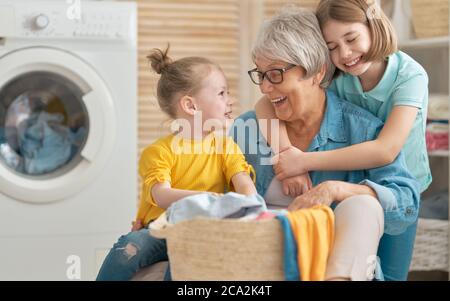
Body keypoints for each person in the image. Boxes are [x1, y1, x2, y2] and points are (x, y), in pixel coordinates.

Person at [232, 7, 420, 280]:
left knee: (362, 204)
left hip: (329, 263)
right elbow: (211, 195)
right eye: (260, 75)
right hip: (260, 265)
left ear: (317, 73)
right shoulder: (246, 128)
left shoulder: (363, 128)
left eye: (275, 74)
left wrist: (336, 189)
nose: (264, 87)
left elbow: (406, 202)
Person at [96, 46, 257, 281]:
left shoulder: (227, 148)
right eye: (222, 93)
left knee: (187, 262)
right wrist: (209, 199)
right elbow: (161, 194)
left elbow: (247, 189)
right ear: (191, 106)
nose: (230, 101)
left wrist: (243, 204)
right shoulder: (159, 151)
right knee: (129, 246)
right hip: (160, 228)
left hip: (202, 231)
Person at [256, 0, 431, 196]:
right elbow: (265, 103)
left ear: (373, 27)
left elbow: (386, 150)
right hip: (359, 176)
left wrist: (301, 161)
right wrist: (285, 154)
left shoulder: (409, 76)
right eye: (332, 47)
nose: (345, 54)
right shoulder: (339, 75)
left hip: (401, 180)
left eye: (351, 39)